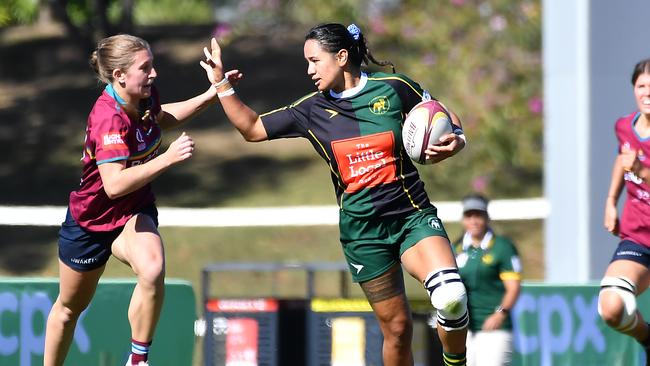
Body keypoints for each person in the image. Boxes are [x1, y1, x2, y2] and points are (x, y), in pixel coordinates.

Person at [199, 23, 468, 366]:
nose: (309, 70)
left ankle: (456, 361)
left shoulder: (395, 88)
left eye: (314, 60)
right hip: (363, 235)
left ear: (341, 57)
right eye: (306, 62)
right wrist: (221, 83)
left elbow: (442, 115)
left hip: (411, 218)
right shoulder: (310, 110)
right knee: (398, 330)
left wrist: (457, 139)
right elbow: (251, 128)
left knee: (451, 296)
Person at [44, 34, 220, 366]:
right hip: (91, 222)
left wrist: (213, 94)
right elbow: (113, 185)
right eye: (145, 67)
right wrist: (167, 159)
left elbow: (161, 118)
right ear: (120, 76)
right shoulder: (108, 116)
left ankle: (137, 360)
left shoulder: (144, 95)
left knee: (152, 269)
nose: (153, 74)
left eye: (152, 65)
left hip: (132, 211)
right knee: (69, 310)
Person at [599, 58, 650, 363]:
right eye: (642, 86)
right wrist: (610, 200)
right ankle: (647, 336)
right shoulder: (624, 125)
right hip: (639, 238)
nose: (648, 92)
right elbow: (623, 158)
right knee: (612, 306)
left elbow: (636, 165)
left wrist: (643, 171)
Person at [452, 193, 521, 366]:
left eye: (478, 215)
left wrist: (500, 314)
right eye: (469, 216)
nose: (473, 221)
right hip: (464, 329)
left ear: (486, 217)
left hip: (495, 330)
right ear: (463, 219)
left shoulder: (502, 247)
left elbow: (513, 287)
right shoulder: (456, 248)